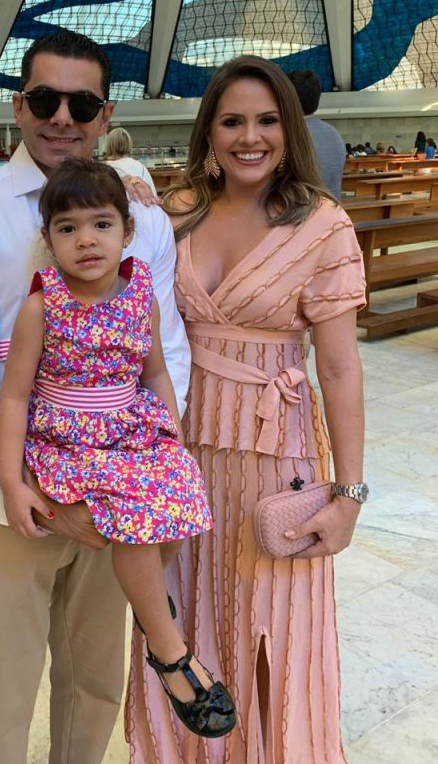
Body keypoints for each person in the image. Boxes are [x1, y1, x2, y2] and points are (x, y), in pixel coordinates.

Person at [0, 31, 191, 764]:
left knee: (94, 684)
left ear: (106, 115)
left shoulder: (145, 222)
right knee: (0, 693)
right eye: (45, 100)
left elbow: (165, 354)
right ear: (19, 106)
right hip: (10, 501)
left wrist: (148, 464)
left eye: (82, 104)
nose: (62, 117)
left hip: (117, 500)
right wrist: (34, 486)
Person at [128, 55, 368, 764]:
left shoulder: (322, 224)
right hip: (179, 451)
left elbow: (339, 368)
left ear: (289, 130)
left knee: (275, 628)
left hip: (274, 454)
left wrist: (349, 495)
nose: (249, 136)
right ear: (209, 131)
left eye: (266, 120)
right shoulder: (175, 213)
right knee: (183, 617)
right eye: (232, 121)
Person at [0, 157, 235, 740]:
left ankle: (153, 612)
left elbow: (153, 371)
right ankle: (171, 654)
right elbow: (14, 396)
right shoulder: (42, 305)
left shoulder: (139, 295)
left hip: (131, 428)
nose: (86, 240)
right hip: (71, 442)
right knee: (137, 526)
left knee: (180, 511)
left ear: (127, 232)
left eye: (101, 224)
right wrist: (11, 481)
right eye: (68, 228)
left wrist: (171, 435)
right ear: (49, 239)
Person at [287, 69, 346, 198]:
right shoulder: (333, 132)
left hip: (302, 209)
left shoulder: (289, 135)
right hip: (332, 207)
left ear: (286, 98)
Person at [103, 125, 157, 194]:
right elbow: (153, 193)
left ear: (109, 145)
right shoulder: (141, 167)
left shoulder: (106, 168)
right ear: (129, 143)